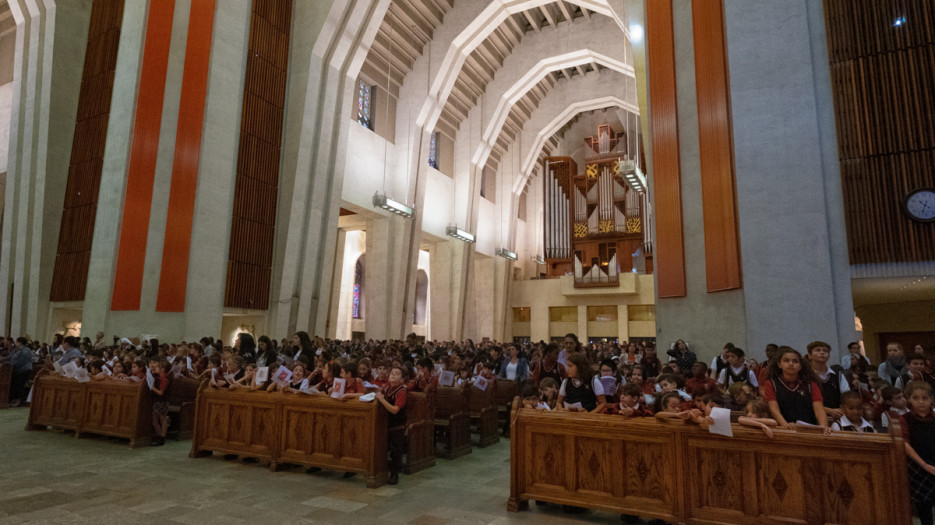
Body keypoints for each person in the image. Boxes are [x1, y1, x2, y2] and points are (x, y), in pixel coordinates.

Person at [763, 346, 831, 433]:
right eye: (786, 360)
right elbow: (774, 409)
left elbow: (819, 409)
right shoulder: (771, 383)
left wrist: (823, 427)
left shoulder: (811, 384)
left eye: (795, 361)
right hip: (782, 430)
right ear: (779, 364)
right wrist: (785, 425)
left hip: (808, 429)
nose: (791, 364)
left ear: (800, 366)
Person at [899, 381, 935, 525]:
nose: (921, 402)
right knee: (924, 509)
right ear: (909, 399)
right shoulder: (905, 419)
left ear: (931, 399)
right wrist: (924, 464)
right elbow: (905, 444)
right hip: (918, 467)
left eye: (925, 398)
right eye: (916, 398)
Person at [375, 365, 408, 485]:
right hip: (385, 423)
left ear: (402, 379)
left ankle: (395, 474)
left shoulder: (402, 391)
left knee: (395, 450)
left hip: (397, 425)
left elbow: (395, 410)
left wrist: (382, 400)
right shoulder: (387, 388)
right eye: (392, 373)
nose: (393, 375)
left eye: (397, 374)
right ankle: (383, 470)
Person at [807, 341, 849, 419]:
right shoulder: (805, 376)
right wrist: (829, 411)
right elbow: (805, 402)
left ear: (828, 356)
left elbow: (846, 397)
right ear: (810, 355)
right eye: (818, 350)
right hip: (812, 417)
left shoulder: (838, 375)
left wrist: (841, 412)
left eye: (825, 351)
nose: (822, 352)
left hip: (837, 417)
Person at [149, 358, 170, 446]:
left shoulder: (164, 379)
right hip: (156, 400)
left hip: (162, 401)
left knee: (162, 419)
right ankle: (158, 435)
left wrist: (152, 387)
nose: (155, 368)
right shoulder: (157, 377)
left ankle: (162, 436)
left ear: (162, 369)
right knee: (154, 420)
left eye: (157, 367)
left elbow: (161, 393)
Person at [8, 337, 32, 406]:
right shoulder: (17, 350)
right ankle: (13, 399)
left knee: (19, 385)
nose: (15, 343)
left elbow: (22, 361)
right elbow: (10, 357)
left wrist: (13, 365)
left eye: (16, 342)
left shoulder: (26, 351)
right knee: (14, 385)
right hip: (16, 370)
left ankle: (18, 400)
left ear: (20, 342)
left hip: (23, 370)